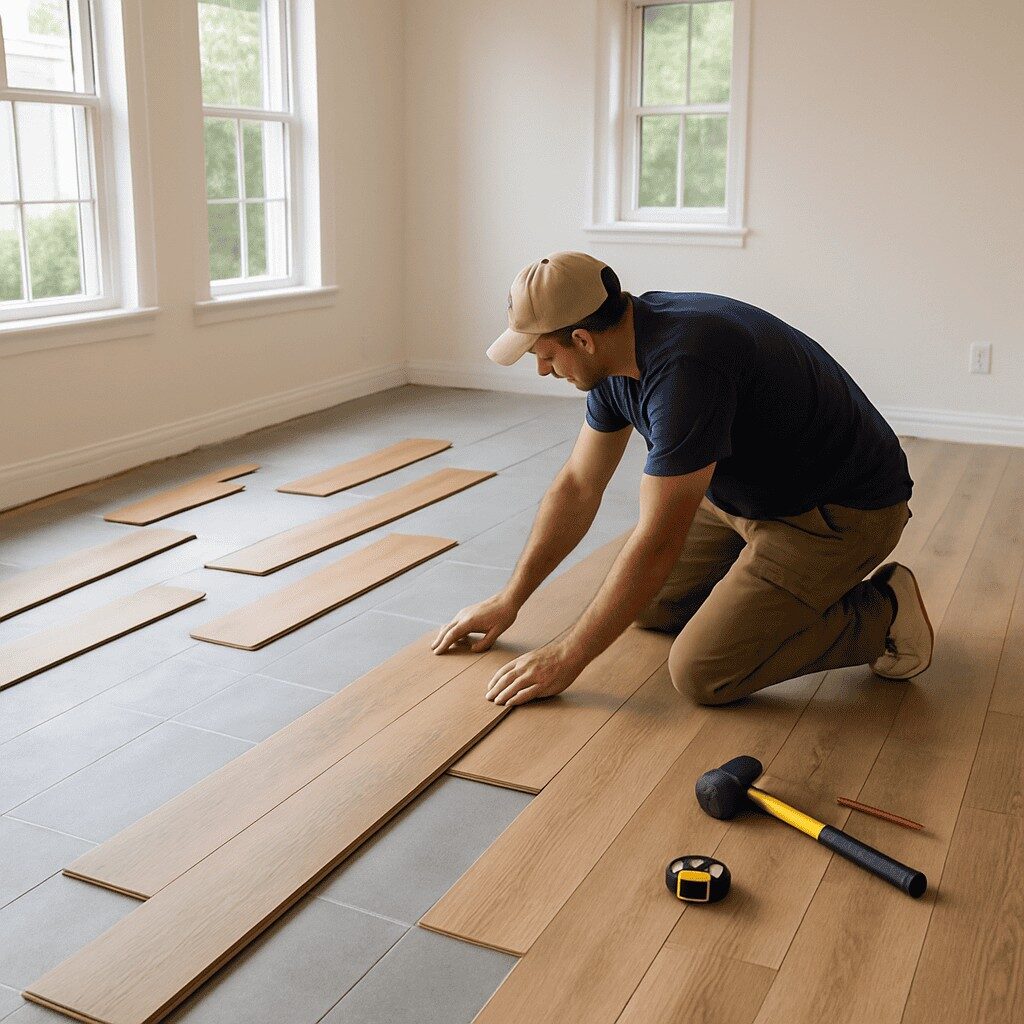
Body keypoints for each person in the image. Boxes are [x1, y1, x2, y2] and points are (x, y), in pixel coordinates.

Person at [430, 251, 933, 708]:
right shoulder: (615, 356)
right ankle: (762, 590)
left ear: (581, 339)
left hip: (838, 512)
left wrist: (567, 657)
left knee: (703, 671)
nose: (541, 370)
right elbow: (578, 487)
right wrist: (509, 599)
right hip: (743, 498)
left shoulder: (686, 367)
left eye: (543, 354)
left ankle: (886, 612)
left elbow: (659, 539)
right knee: (647, 605)